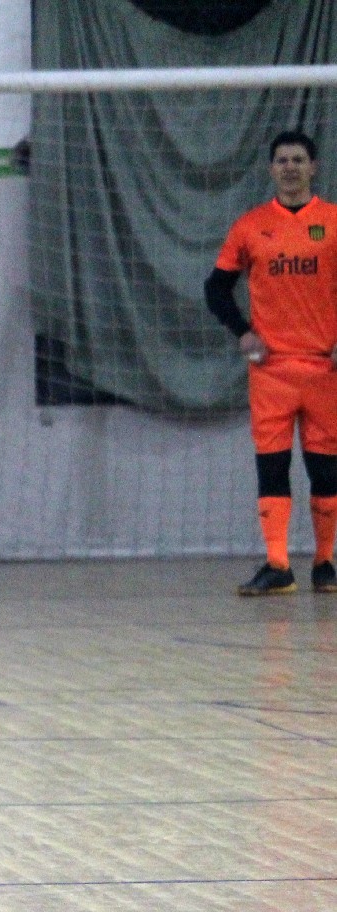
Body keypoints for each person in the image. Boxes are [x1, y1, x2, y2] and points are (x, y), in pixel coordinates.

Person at [206, 129, 337, 596]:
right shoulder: (250, 225)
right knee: (273, 467)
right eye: (282, 159)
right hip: (271, 372)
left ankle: (325, 564)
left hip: (325, 370)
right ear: (270, 169)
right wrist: (242, 332)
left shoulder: (333, 222)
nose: (290, 167)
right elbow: (215, 288)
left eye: (298, 159)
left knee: (326, 472)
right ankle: (278, 565)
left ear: (314, 167)